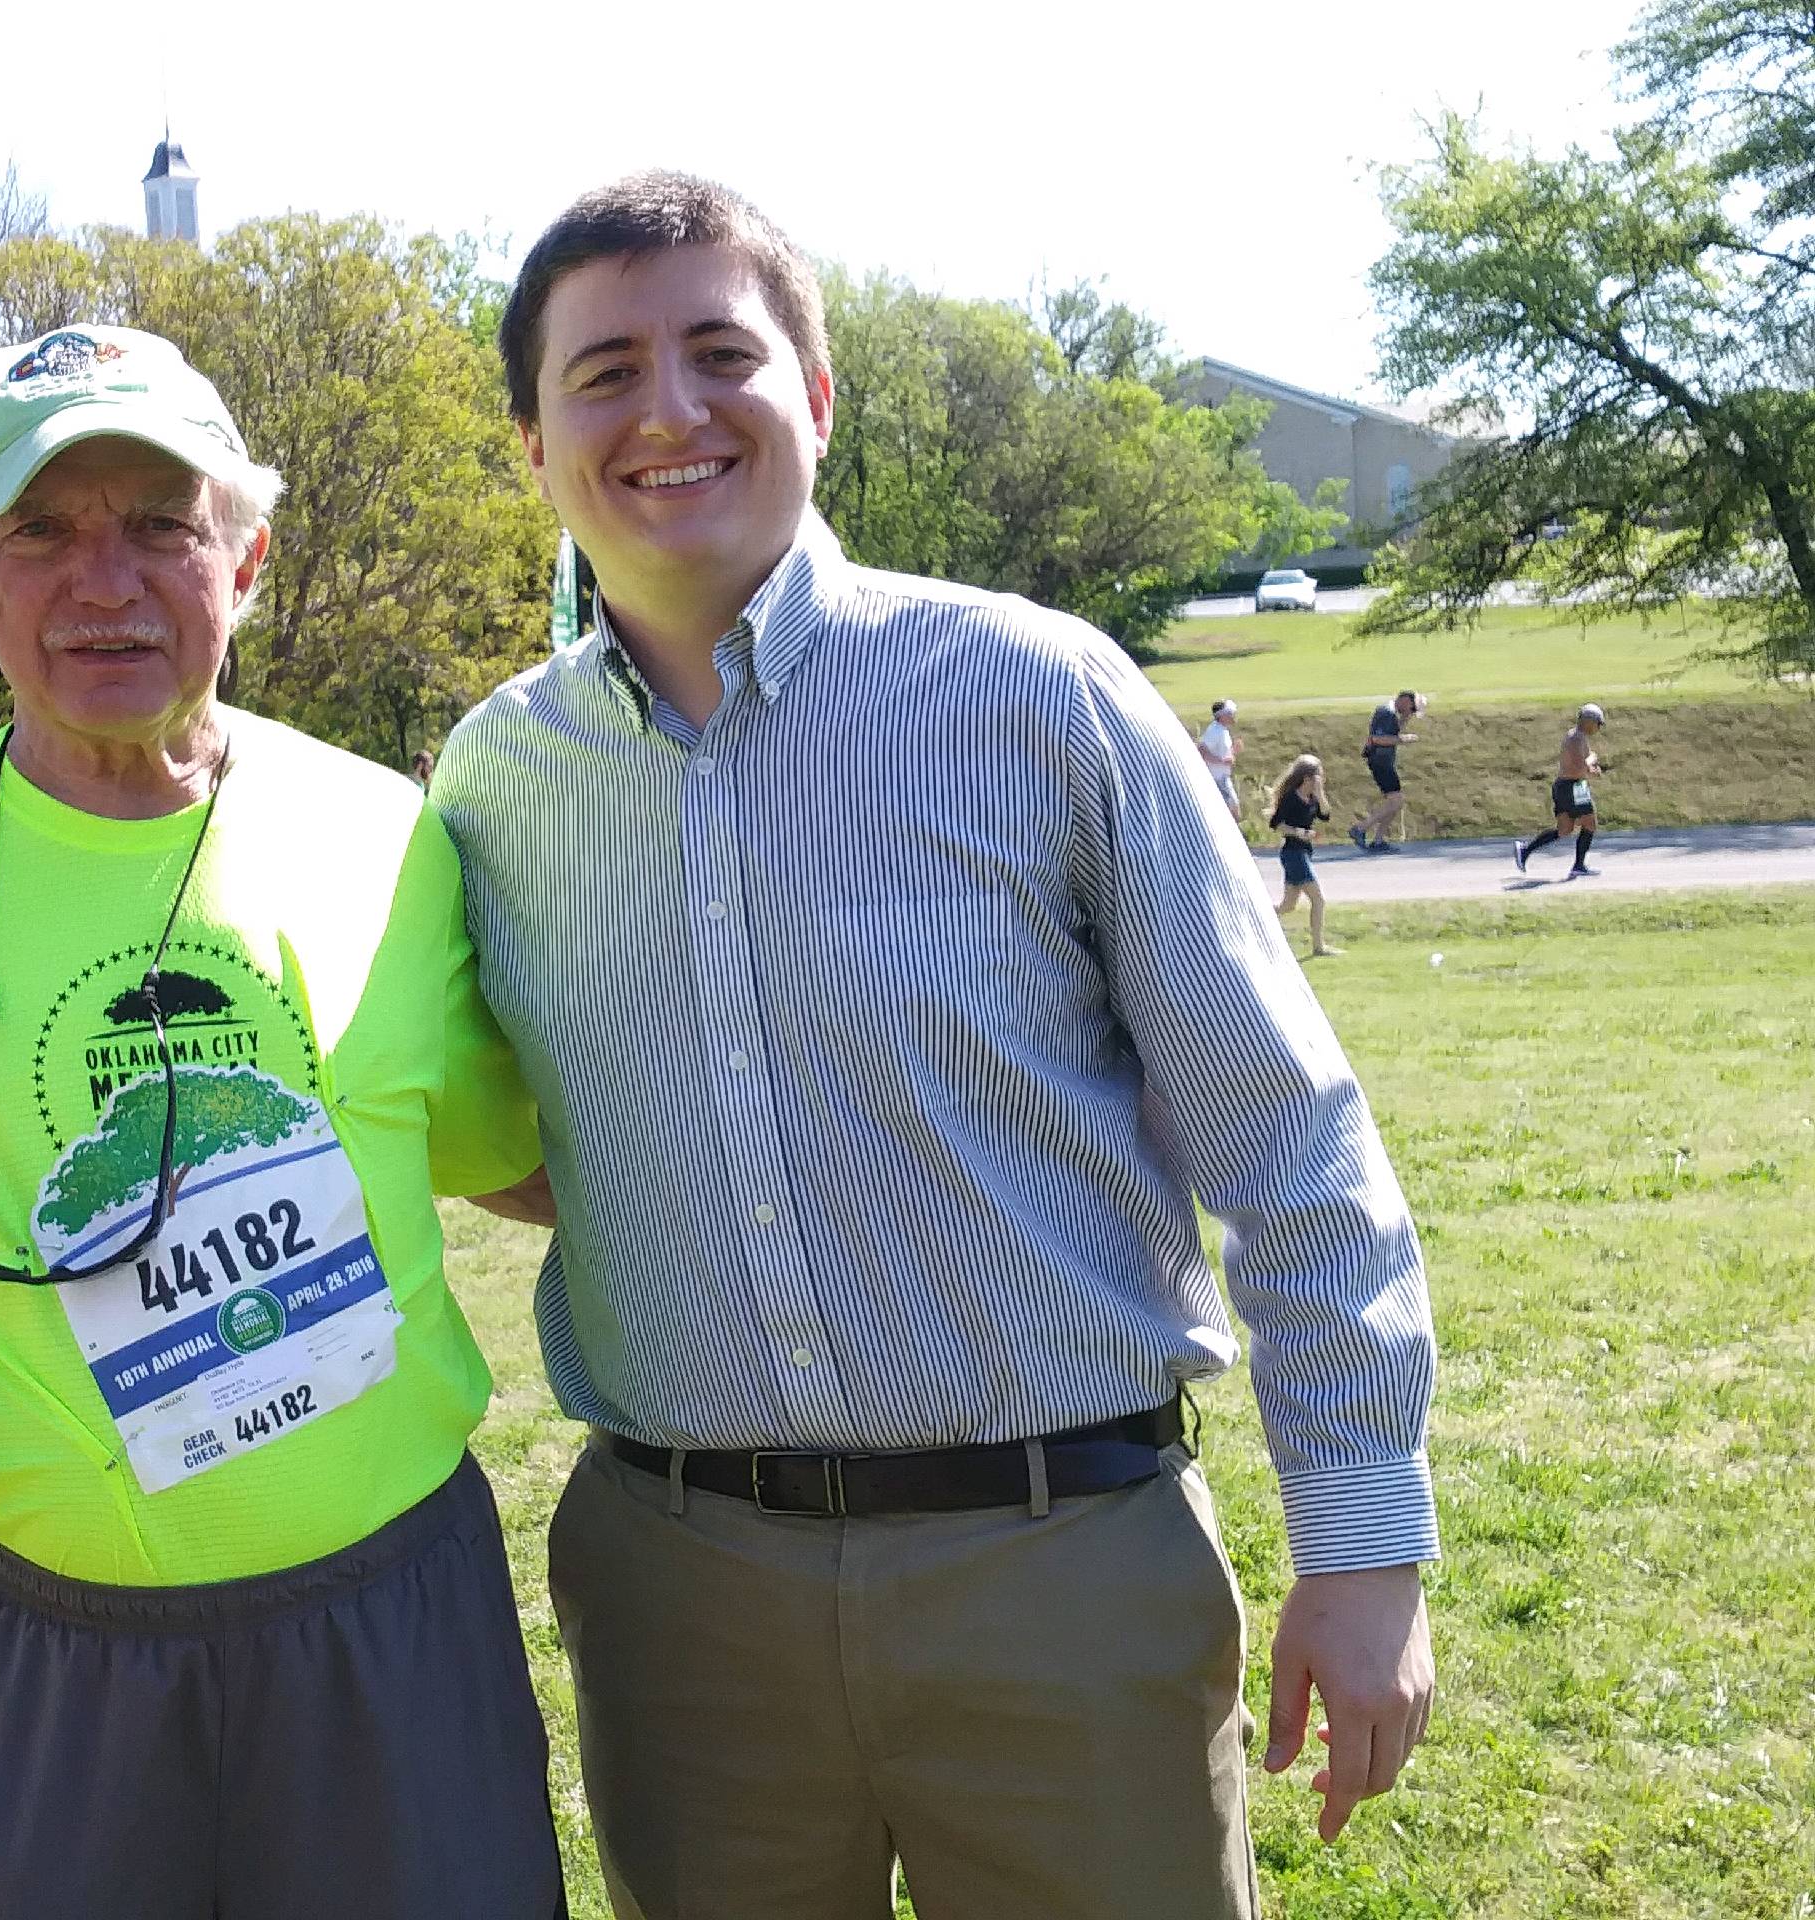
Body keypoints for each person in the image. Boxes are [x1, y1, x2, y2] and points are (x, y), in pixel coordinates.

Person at [432, 173, 1437, 1920]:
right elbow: (531, 1136)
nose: (667, 411)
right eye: (602, 374)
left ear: (815, 400)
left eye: (720, 353)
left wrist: (1363, 1544)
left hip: (1059, 1566)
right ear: (531, 443)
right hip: (684, 1596)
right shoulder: (493, 788)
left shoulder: (1040, 694)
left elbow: (1285, 1139)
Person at [0, 326, 565, 1920]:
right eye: (41, 530)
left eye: (159, 524)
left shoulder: (393, 835)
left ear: (246, 557)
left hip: (385, 1630)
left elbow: (529, 1164)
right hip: (38, 1669)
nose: (104, 581)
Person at [1516, 703, 1605, 879]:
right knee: (1590, 824)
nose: (1598, 728)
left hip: (1572, 785)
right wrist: (1592, 759)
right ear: (1588, 721)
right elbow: (1578, 769)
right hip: (1572, 786)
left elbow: (1581, 768)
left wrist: (1592, 769)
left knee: (1565, 829)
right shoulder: (1575, 739)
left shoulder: (1579, 737)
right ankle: (1578, 866)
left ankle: (1526, 850)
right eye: (1597, 723)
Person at [1269, 754, 1342, 958]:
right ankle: (1319, 947)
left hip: (1304, 852)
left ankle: (1258, 915)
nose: (1322, 779)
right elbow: (1276, 824)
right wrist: (1299, 832)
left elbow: (1325, 815)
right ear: (1307, 778)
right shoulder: (1291, 797)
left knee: (1288, 906)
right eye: (1319, 776)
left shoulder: (1312, 798)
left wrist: (1320, 794)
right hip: (1293, 854)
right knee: (1318, 900)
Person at [1349, 690, 1425, 850]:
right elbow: (1377, 739)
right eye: (1412, 709)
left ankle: (1378, 840)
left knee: (1395, 802)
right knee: (1396, 801)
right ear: (1405, 701)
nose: (1411, 713)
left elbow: (1392, 731)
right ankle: (1361, 828)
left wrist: (1405, 718)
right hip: (1380, 761)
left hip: (1384, 761)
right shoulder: (1386, 712)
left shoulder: (1391, 713)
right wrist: (1404, 739)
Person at [1197, 699, 1241, 820]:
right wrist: (1221, 761)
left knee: (1232, 807)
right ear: (1222, 716)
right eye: (1230, 713)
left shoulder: (1223, 731)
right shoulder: (1214, 731)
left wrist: (1233, 752)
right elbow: (1201, 750)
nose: (1233, 716)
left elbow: (1223, 754)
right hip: (1217, 777)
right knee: (1232, 806)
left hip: (1222, 776)